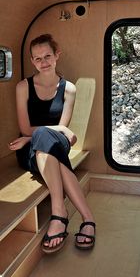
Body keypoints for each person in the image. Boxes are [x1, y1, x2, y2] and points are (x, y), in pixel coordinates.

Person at [8, 34, 96, 253]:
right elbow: (27, 128)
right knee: (44, 137)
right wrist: (57, 131)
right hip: (29, 150)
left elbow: (59, 130)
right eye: (37, 58)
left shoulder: (69, 89)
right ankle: (88, 220)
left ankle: (59, 214)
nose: (43, 62)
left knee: (46, 137)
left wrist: (57, 131)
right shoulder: (23, 87)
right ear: (32, 61)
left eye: (47, 56)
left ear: (57, 55)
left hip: (54, 144)